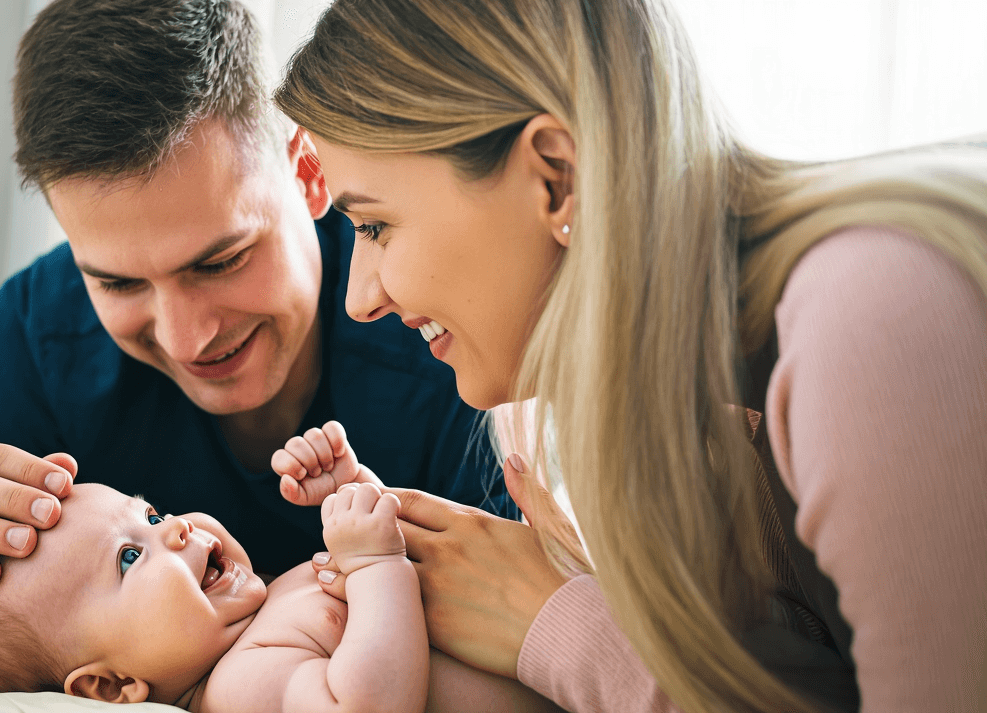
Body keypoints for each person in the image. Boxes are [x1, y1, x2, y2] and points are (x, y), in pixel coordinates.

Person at [273, 1, 987, 712]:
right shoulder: (692, 407)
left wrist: (556, 622)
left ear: (558, 177)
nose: (358, 300)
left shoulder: (868, 323)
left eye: (375, 225)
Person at [0, 0, 514, 632]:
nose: (187, 337)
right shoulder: (35, 341)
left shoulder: (443, 334)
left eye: (220, 261)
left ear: (309, 175)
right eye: (117, 281)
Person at [0, 422, 550, 712]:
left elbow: (405, 604)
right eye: (130, 557)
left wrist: (358, 497)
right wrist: (374, 562)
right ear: (110, 687)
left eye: (151, 514)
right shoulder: (240, 688)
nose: (175, 528)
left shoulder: (261, 620)